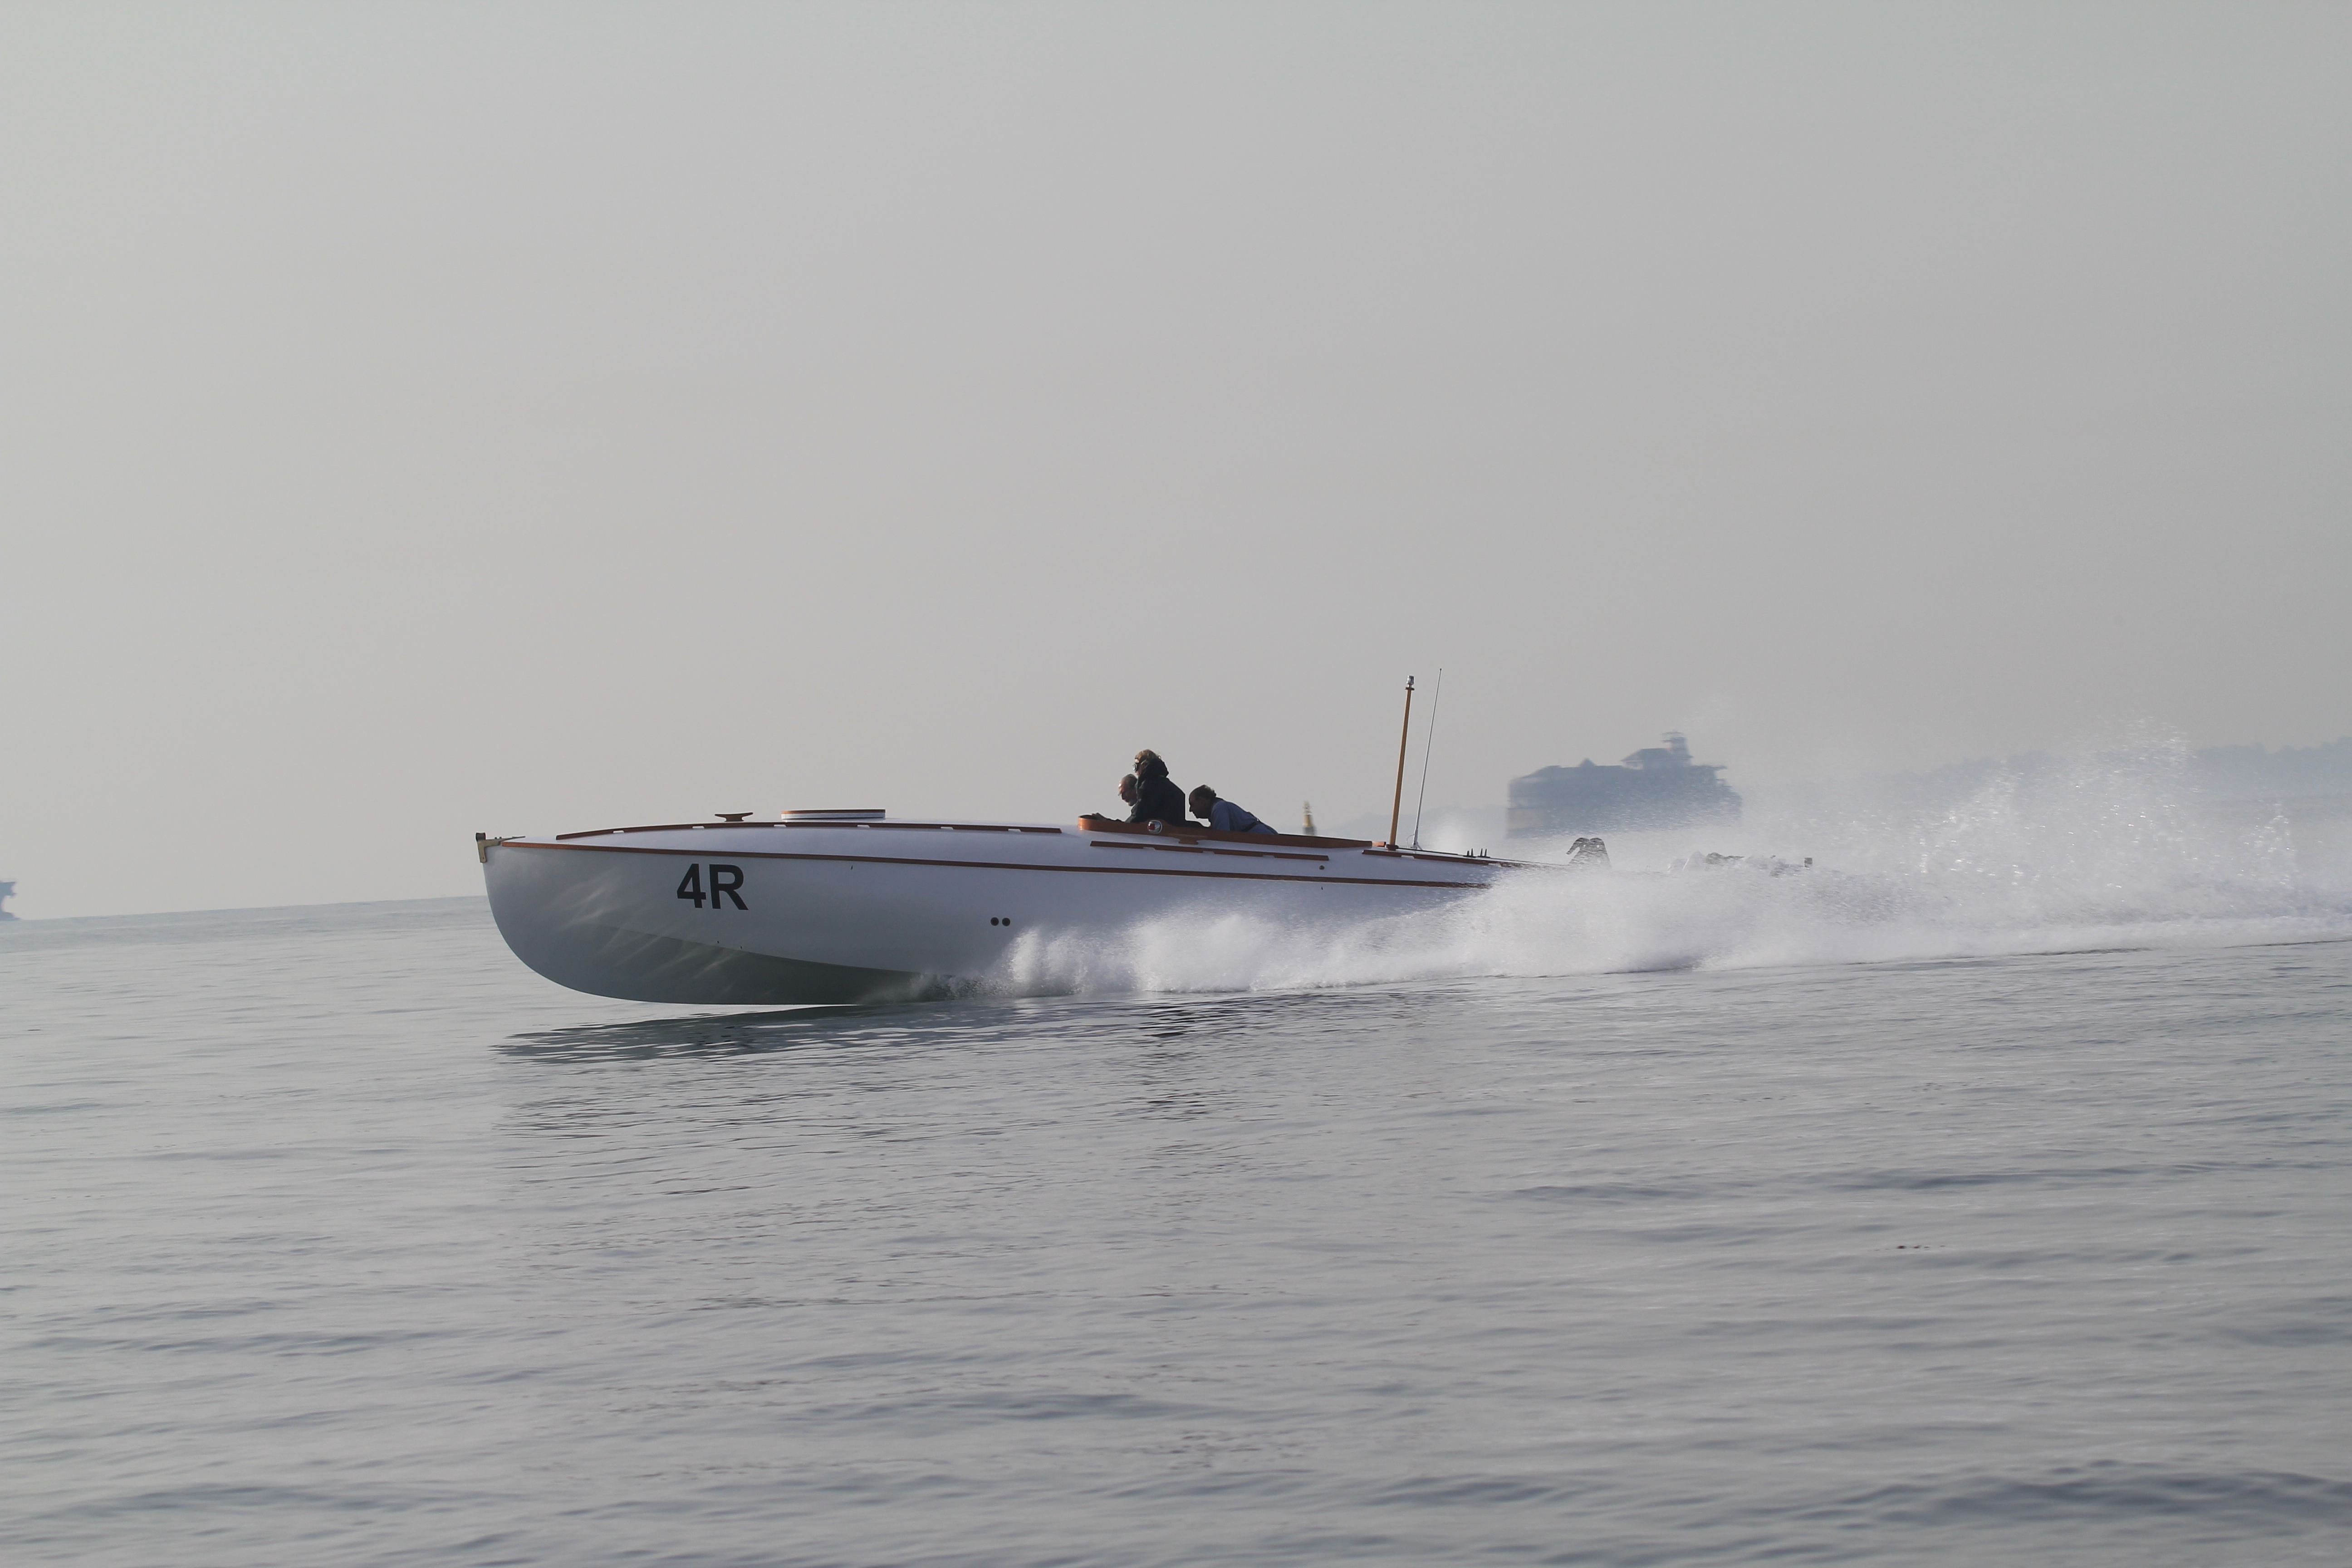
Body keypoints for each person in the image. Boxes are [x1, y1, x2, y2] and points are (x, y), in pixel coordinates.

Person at [1127, 750, 1187, 826]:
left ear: (1144, 766)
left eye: (1136, 767)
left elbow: (1138, 815)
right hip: (1174, 835)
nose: (1136, 772)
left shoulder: (1149, 787)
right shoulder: (1174, 789)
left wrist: (1120, 826)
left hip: (1157, 836)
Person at [1188, 784, 1277, 834]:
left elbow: (1223, 838)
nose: (1190, 810)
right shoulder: (1220, 808)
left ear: (1202, 801)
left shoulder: (1219, 808)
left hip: (1266, 842)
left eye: (1192, 804)